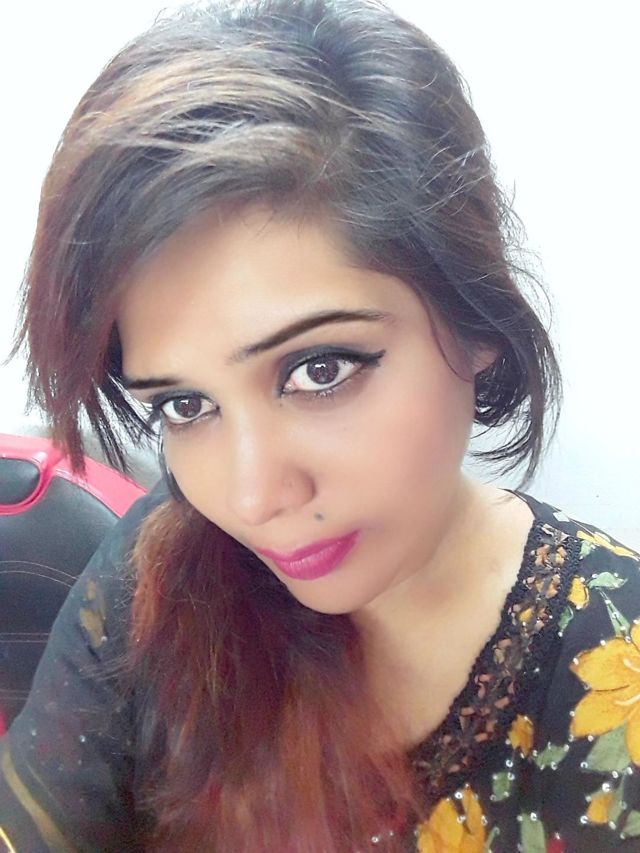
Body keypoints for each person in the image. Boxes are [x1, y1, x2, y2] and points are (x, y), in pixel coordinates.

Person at [1, 0, 638, 850]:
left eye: (319, 369)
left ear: (476, 316)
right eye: (186, 405)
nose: (252, 496)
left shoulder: (615, 672)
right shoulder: (165, 561)